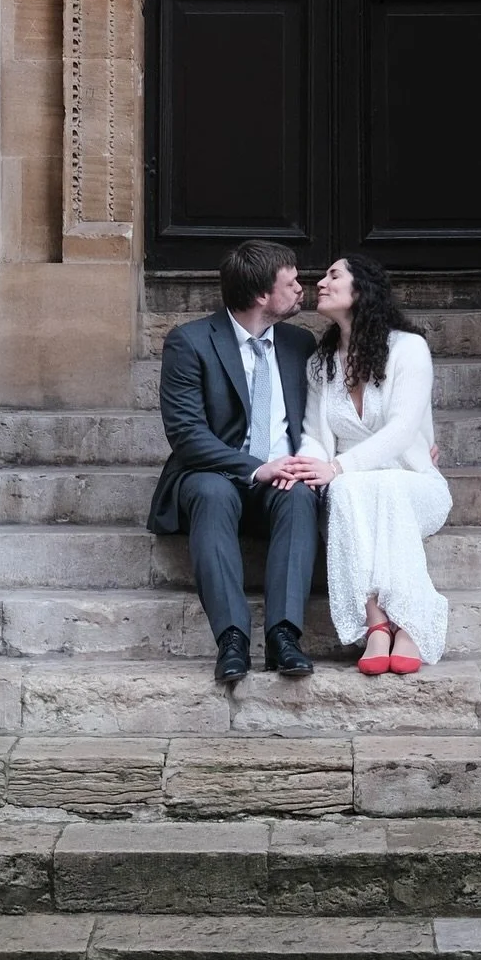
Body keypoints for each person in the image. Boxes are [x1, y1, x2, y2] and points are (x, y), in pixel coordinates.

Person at [147, 240, 320, 683]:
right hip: (216, 474)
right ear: (263, 295)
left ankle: (283, 637)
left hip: (280, 481)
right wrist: (254, 466)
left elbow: (338, 409)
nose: (302, 289)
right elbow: (187, 435)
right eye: (291, 282)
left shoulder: (301, 343)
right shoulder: (190, 342)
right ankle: (232, 640)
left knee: (300, 495)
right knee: (210, 490)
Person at [286, 254, 452, 673]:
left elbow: (401, 429)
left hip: (415, 485)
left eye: (333, 275)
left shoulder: (408, 349)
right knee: (347, 489)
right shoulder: (321, 364)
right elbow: (314, 436)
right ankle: (376, 623)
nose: (320, 282)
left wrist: (339, 467)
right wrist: (306, 468)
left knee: (382, 486)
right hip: (357, 493)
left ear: (360, 290)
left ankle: (411, 622)